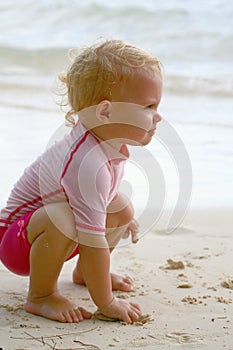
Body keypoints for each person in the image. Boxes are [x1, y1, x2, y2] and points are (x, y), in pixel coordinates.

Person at [0, 39, 163, 324]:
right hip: (15, 244)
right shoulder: (87, 164)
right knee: (60, 216)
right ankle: (40, 295)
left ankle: (85, 274)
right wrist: (107, 302)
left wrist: (126, 220)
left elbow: (102, 203)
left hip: (44, 238)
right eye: (149, 106)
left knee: (121, 207)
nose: (158, 116)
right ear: (105, 112)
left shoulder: (106, 144)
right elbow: (92, 240)